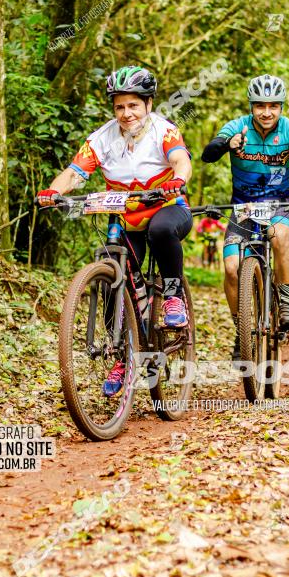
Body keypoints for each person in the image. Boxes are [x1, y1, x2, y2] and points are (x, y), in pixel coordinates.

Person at [37, 65, 193, 396]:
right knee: (111, 278)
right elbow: (74, 172)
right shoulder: (101, 138)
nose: (126, 113)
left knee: (161, 232)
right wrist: (53, 192)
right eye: (120, 106)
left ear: (148, 104)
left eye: (133, 105)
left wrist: (177, 181)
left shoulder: (164, 132)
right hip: (124, 216)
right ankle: (123, 352)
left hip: (166, 208)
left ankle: (173, 296)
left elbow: (181, 160)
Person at [201, 74, 289, 360]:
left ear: (281, 107)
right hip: (243, 207)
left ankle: (287, 298)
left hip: (281, 204)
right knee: (231, 267)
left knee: (281, 236)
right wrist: (227, 144)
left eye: (273, 106)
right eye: (259, 106)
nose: (266, 112)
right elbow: (207, 155)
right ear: (251, 106)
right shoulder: (237, 127)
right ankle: (240, 329)